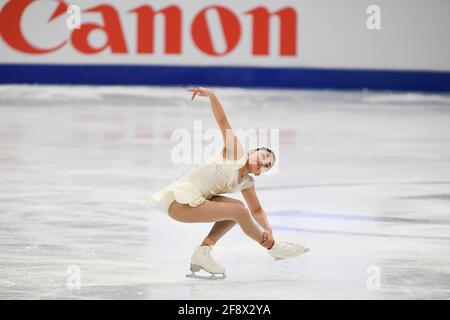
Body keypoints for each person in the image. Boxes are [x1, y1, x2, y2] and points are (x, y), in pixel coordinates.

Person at [148, 87, 308, 279]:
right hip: (180, 203)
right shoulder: (236, 153)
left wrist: (268, 229)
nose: (263, 161)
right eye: (264, 155)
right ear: (251, 152)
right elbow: (223, 122)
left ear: (260, 172)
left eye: (266, 165)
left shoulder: (246, 182)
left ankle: (204, 251)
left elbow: (256, 210)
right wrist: (213, 97)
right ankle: (273, 248)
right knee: (239, 211)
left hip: (193, 203)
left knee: (237, 209)